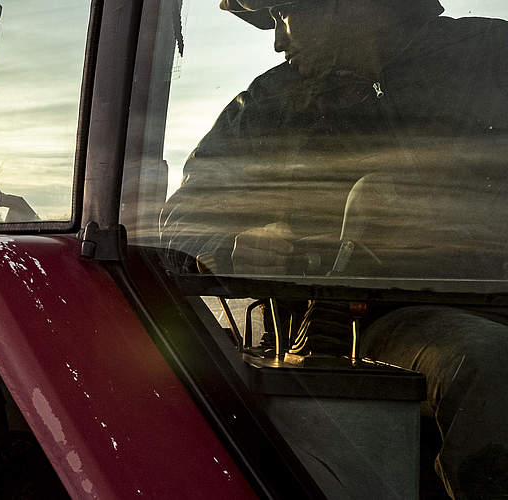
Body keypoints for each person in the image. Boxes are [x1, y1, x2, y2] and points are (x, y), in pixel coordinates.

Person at [161, 0, 508, 496]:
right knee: (488, 364)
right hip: (366, 321)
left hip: (497, 295)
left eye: (285, 14)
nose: (278, 41)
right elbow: (179, 221)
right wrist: (233, 246)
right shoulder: (269, 103)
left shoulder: (493, 55)